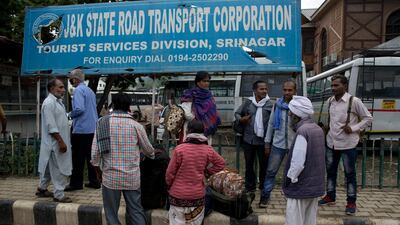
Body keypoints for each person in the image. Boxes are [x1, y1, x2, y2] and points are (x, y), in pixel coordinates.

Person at [91, 93, 155, 225]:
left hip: (110, 177)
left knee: (111, 214)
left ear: (113, 105)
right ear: (128, 106)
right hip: (131, 177)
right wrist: (152, 154)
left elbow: (95, 155)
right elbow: (149, 151)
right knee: (136, 211)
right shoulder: (136, 126)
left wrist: (98, 172)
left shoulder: (102, 123)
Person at [318, 74, 372, 215]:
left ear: (345, 86)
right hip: (331, 142)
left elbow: (368, 118)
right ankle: (330, 196)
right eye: (332, 85)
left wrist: (354, 128)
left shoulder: (354, 101)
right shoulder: (330, 101)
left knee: (350, 174)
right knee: (330, 172)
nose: (333, 88)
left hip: (348, 144)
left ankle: (351, 202)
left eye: (336, 85)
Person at [166, 120, 225, 225]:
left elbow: (169, 173)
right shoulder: (207, 150)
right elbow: (221, 163)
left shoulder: (179, 149)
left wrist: (170, 185)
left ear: (188, 131)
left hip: (177, 197)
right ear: (203, 132)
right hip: (197, 197)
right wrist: (206, 172)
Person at [283, 96, 325, 225]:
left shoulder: (303, 131)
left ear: (296, 114)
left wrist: (290, 180)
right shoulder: (317, 128)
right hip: (314, 185)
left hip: (300, 186)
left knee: (294, 221)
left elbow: (298, 162)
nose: (289, 114)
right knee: (309, 221)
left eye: (290, 112)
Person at [259, 80, 296, 207]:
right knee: (270, 171)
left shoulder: (298, 105)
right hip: (277, 145)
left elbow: (305, 124)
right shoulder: (277, 105)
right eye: (285, 90)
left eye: (290, 90)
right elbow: (270, 125)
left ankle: (292, 196)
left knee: (293, 172)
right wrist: (267, 143)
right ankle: (265, 196)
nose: (287, 92)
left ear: (295, 91)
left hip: (294, 145)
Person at [36, 78, 72, 203]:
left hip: (55, 142)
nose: (63, 90)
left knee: (47, 167)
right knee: (58, 169)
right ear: (52, 89)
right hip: (55, 143)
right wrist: (61, 142)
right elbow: (51, 126)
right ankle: (59, 194)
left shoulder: (58, 102)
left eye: (63, 87)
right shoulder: (49, 103)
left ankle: (42, 188)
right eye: (60, 87)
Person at [234, 80, 273, 192]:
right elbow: (237, 113)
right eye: (261, 89)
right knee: (249, 166)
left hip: (263, 142)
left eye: (265, 89)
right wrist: (241, 119)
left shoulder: (270, 104)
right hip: (249, 140)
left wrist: (269, 143)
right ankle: (250, 187)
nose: (264, 91)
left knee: (264, 166)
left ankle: (263, 187)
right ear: (255, 90)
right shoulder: (248, 103)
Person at [66, 69, 100, 191]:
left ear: (75, 79)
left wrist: (69, 114)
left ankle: (76, 183)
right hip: (92, 129)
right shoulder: (90, 91)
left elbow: (79, 109)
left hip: (81, 130)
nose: (71, 81)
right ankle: (94, 181)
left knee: (78, 158)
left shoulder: (78, 90)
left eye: (71, 79)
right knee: (90, 157)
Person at [180, 71, 221, 144]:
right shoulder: (189, 93)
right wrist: (198, 124)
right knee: (191, 152)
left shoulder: (209, 95)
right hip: (192, 129)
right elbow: (186, 113)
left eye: (208, 81)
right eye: (204, 81)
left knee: (205, 151)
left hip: (207, 129)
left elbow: (213, 111)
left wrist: (207, 123)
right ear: (198, 82)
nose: (206, 83)